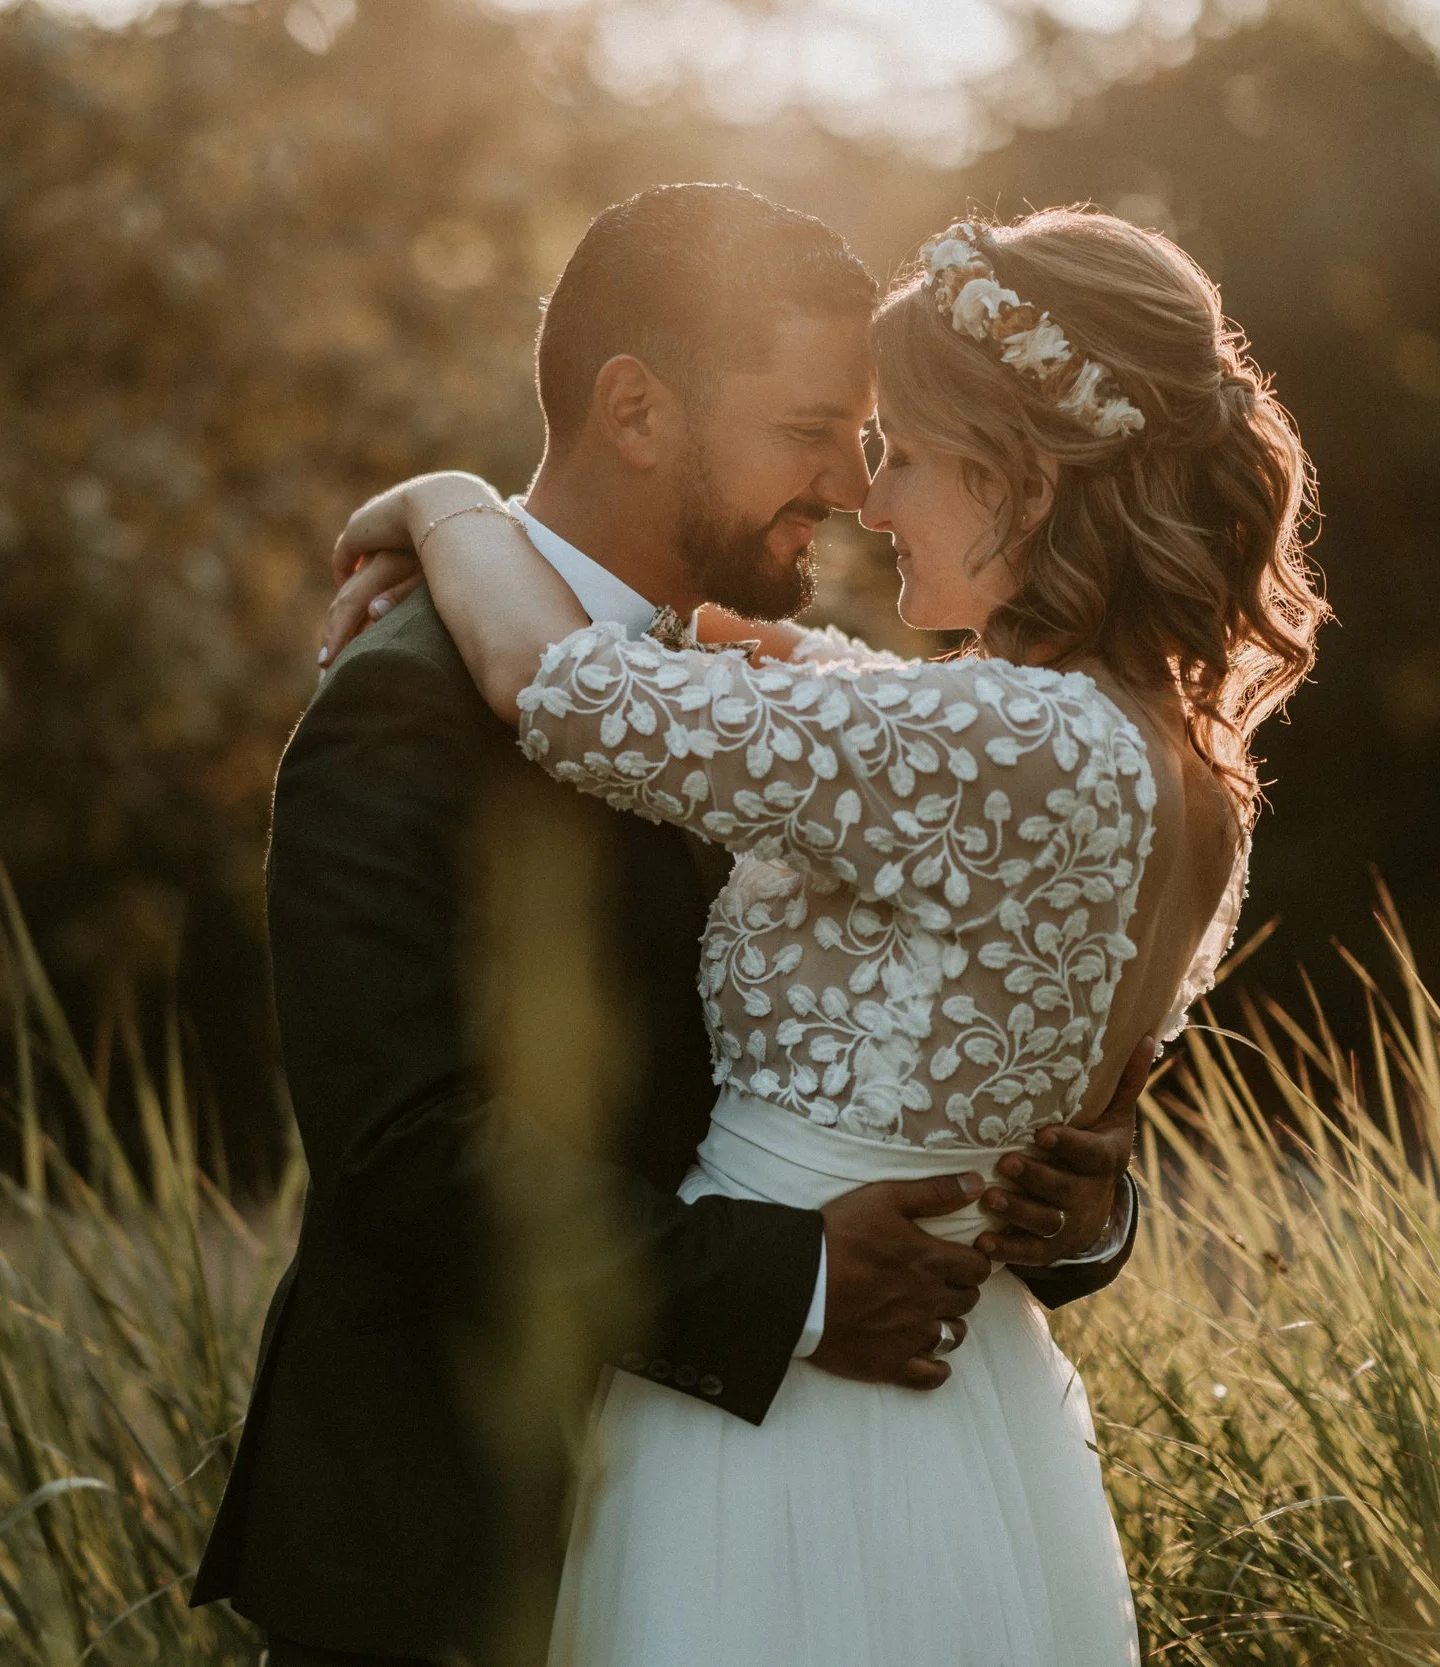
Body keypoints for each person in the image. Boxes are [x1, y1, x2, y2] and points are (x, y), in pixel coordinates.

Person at [318, 201, 1325, 1663]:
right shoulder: (1193, 776)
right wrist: (1087, 1204)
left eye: (902, 453)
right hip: (965, 1421)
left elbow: (570, 690)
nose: (868, 495)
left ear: (1027, 482)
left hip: (787, 1434)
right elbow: (1056, 1150)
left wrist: (442, 503)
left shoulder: (990, 738)